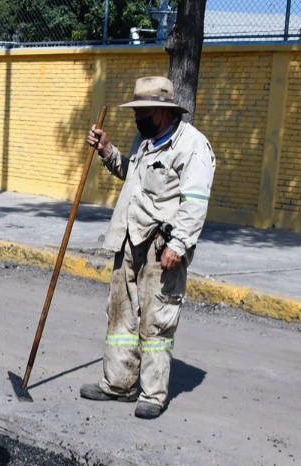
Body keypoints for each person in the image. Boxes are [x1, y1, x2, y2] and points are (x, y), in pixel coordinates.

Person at [80, 76, 216, 419]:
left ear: (163, 111)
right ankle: (118, 383)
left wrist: (179, 244)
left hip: (162, 246)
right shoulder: (147, 140)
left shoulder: (192, 147)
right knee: (121, 316)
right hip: (129, 238)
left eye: (143, 111)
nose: (137, 117)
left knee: (157, 321)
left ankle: (154, 395)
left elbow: (195, 202)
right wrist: (107, 151)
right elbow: (134, 178)